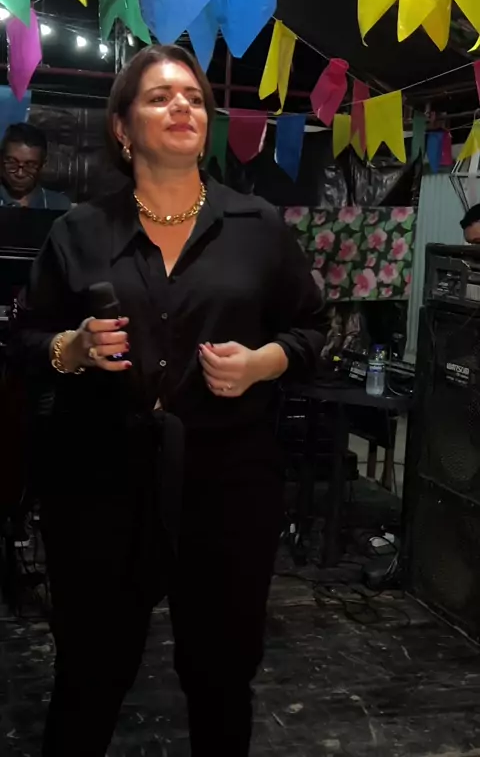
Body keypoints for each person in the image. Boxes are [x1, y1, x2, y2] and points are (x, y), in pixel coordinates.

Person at [12, 44, 325, 757]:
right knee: (89, 674)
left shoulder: (257, 226)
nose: (182, 105)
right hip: (99, 483)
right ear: (123, 128)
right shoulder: (79, 231)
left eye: (193, 97)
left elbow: (311, 328)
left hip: (227, 485)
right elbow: (25, 338)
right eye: (159, 97)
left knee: (221, 677)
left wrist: (264, 362)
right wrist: (71, 349)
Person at [0, 122, 70, 210]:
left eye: (30, 165)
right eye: (12, 163)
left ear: (42, 164)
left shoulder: (59, 205)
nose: (20, 174)